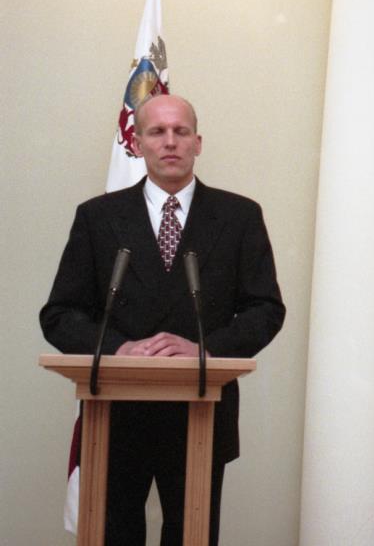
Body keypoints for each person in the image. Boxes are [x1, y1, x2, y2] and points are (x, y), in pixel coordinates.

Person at [40, 94, 286, 546]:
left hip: (201, 410)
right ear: (137, 143)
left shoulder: (239, 216)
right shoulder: (98, 217)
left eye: (181, 131)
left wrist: (205, 350)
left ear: (198, 142)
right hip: (115, 417)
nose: (170, 142)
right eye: (157, 131)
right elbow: (60, 315)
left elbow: (265, 309)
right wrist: (119, 350)